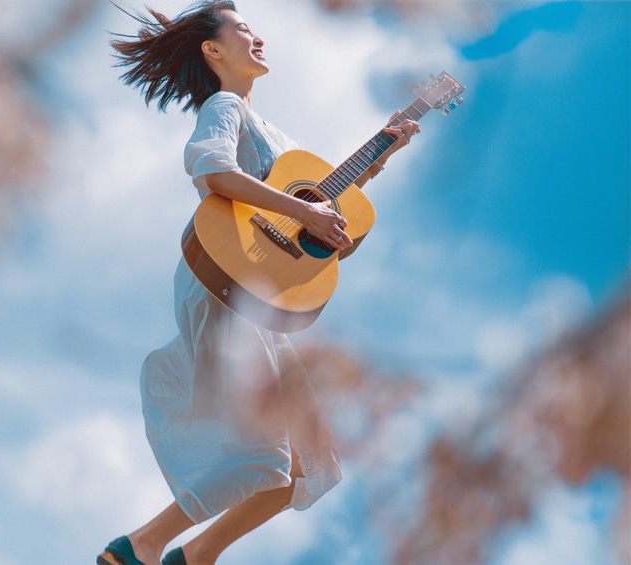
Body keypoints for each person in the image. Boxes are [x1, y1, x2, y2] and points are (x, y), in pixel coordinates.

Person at [99, 2, 419, 564]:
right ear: (213, 50)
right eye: (242, 28)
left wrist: (380, 152)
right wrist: (313, 216)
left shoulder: (275, 133)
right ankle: (142, 545)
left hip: (260, 293)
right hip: (226, 275)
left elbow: (319, 199)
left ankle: (192, 555)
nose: (258, 36)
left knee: (309, 463)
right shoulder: (224, 105)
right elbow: (213, 170)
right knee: (264, 454)